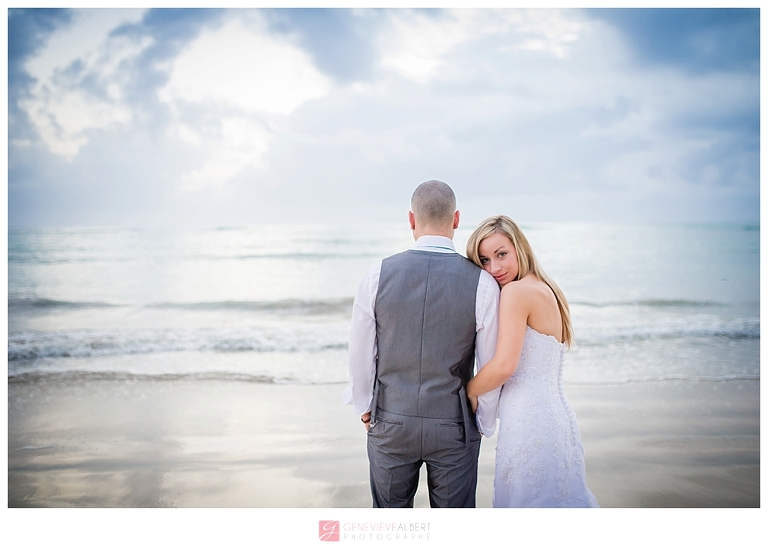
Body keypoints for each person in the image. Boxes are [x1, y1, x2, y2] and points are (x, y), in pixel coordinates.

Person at [342, 180, 501, 508]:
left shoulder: (377, 274)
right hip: (454, 427)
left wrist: (365, 406)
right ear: (456, 219)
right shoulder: (483, 283)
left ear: (411, 220)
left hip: (391, 421)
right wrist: (483, 422)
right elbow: (489, 363)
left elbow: (360, 352)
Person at [466, 215, 599, 508]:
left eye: (501, 254)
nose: (494, 268)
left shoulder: (516, 292)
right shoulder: (545, 287)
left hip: (530, 423)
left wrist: (468, 390)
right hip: (554, 417)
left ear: (520, 248)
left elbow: (504, 366)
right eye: (484, 260)